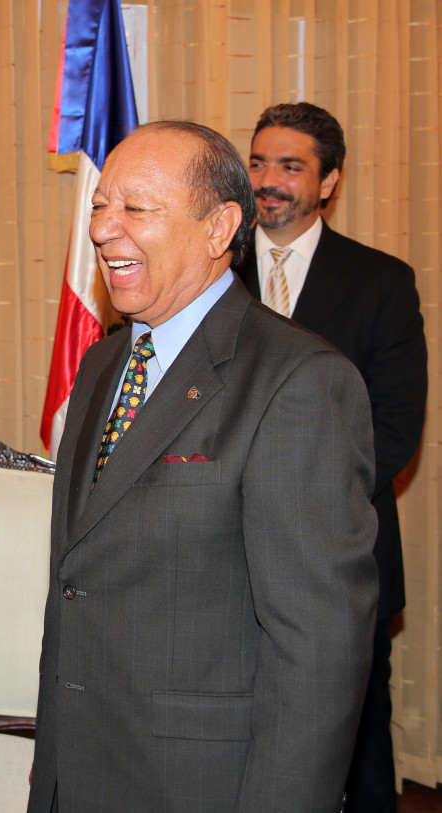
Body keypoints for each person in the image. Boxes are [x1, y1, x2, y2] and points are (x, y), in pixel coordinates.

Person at [29, 120, 378, 812]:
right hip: (80, 774)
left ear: (219, 228)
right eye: (100, 205)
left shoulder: (297, 380)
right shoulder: (102, 364)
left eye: (136, 208)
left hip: (197, 785)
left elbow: (317, 650)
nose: (102, 229)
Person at [244, 102, 427, 813]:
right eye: (258, 163)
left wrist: (292, 503)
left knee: (360, 756)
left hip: (343, 556)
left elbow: (394, 428)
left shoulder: (382, 282)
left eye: (290, 166)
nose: (268, 180)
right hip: (221, 557)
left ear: (329, 182)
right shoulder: (205, 271)